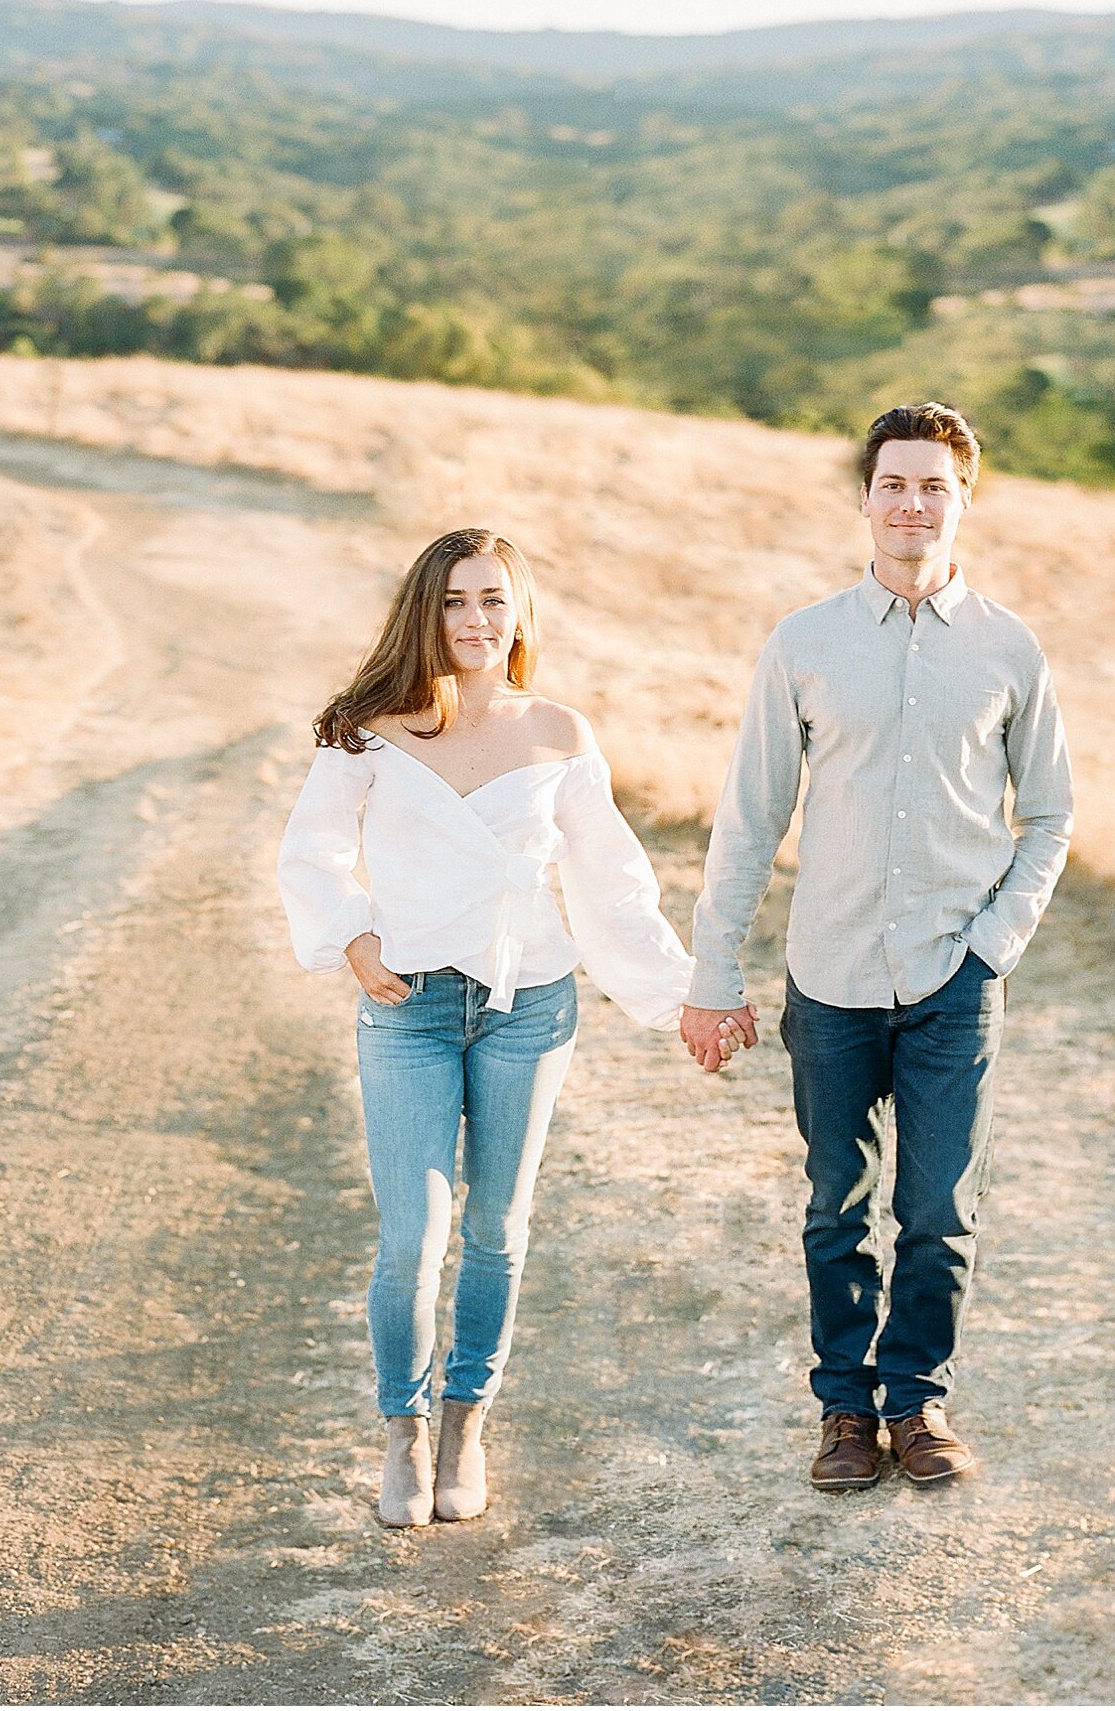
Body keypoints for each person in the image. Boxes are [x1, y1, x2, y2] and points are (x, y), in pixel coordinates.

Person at [680, 402, 1073, 1491]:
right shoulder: (805, 641)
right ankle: (846, 1412)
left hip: (956, 973)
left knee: (942, 1209)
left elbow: (1050, 814)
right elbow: (751, 815)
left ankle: (920, 1402)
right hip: (832, 973)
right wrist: (716, 969)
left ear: (962, 498)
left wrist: (995, 943)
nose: (913, 503)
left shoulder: (1008, 647)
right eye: (895, 483)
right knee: (835, 1205)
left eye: (934, 485)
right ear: (866, 497)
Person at [278, 527, 692, 1528]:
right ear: (428, 610)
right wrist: (351, 937)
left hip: (530, 1002)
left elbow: (610, 880)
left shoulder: (558, 732)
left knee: (498, 1230)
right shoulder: (368, 729)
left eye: (495, 600)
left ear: (520, 613)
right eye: (457, 600)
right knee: (411, 1241)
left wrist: (685, 995)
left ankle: (467, 1422)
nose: (476, 620)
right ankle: (405, 1432)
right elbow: (313, 852)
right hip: (406, 1005)